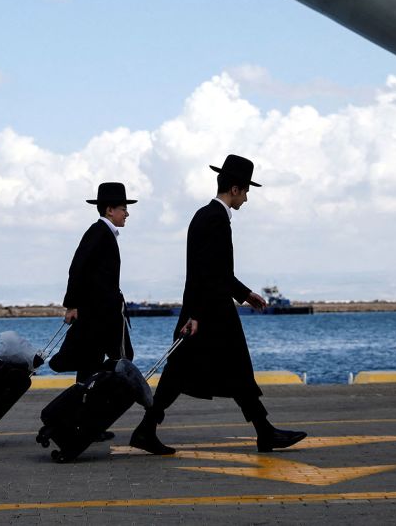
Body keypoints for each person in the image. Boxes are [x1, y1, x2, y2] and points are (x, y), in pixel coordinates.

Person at [130, 154, 307, 456]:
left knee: (200, 373)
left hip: (208, 310)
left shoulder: (206, 215)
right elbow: (206, 271)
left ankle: (264, 432)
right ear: (235, 189)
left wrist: (246, 293)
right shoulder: (215, 218)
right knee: (211, 372)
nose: (247, 198)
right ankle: (264, 432)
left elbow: (216, 270)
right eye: (246, 191)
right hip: (210, 313)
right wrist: (196, 315)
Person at [51, 182, 136, 383]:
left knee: (91, 362)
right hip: (103, 315)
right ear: (109, 210)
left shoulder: (103, 233)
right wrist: (72, 304)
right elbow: (77, 268)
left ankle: (84, 403)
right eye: (124, 209)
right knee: (122, 360)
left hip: (100, 315)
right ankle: (101, 401)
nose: (127, 214)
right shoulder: (98, 233)